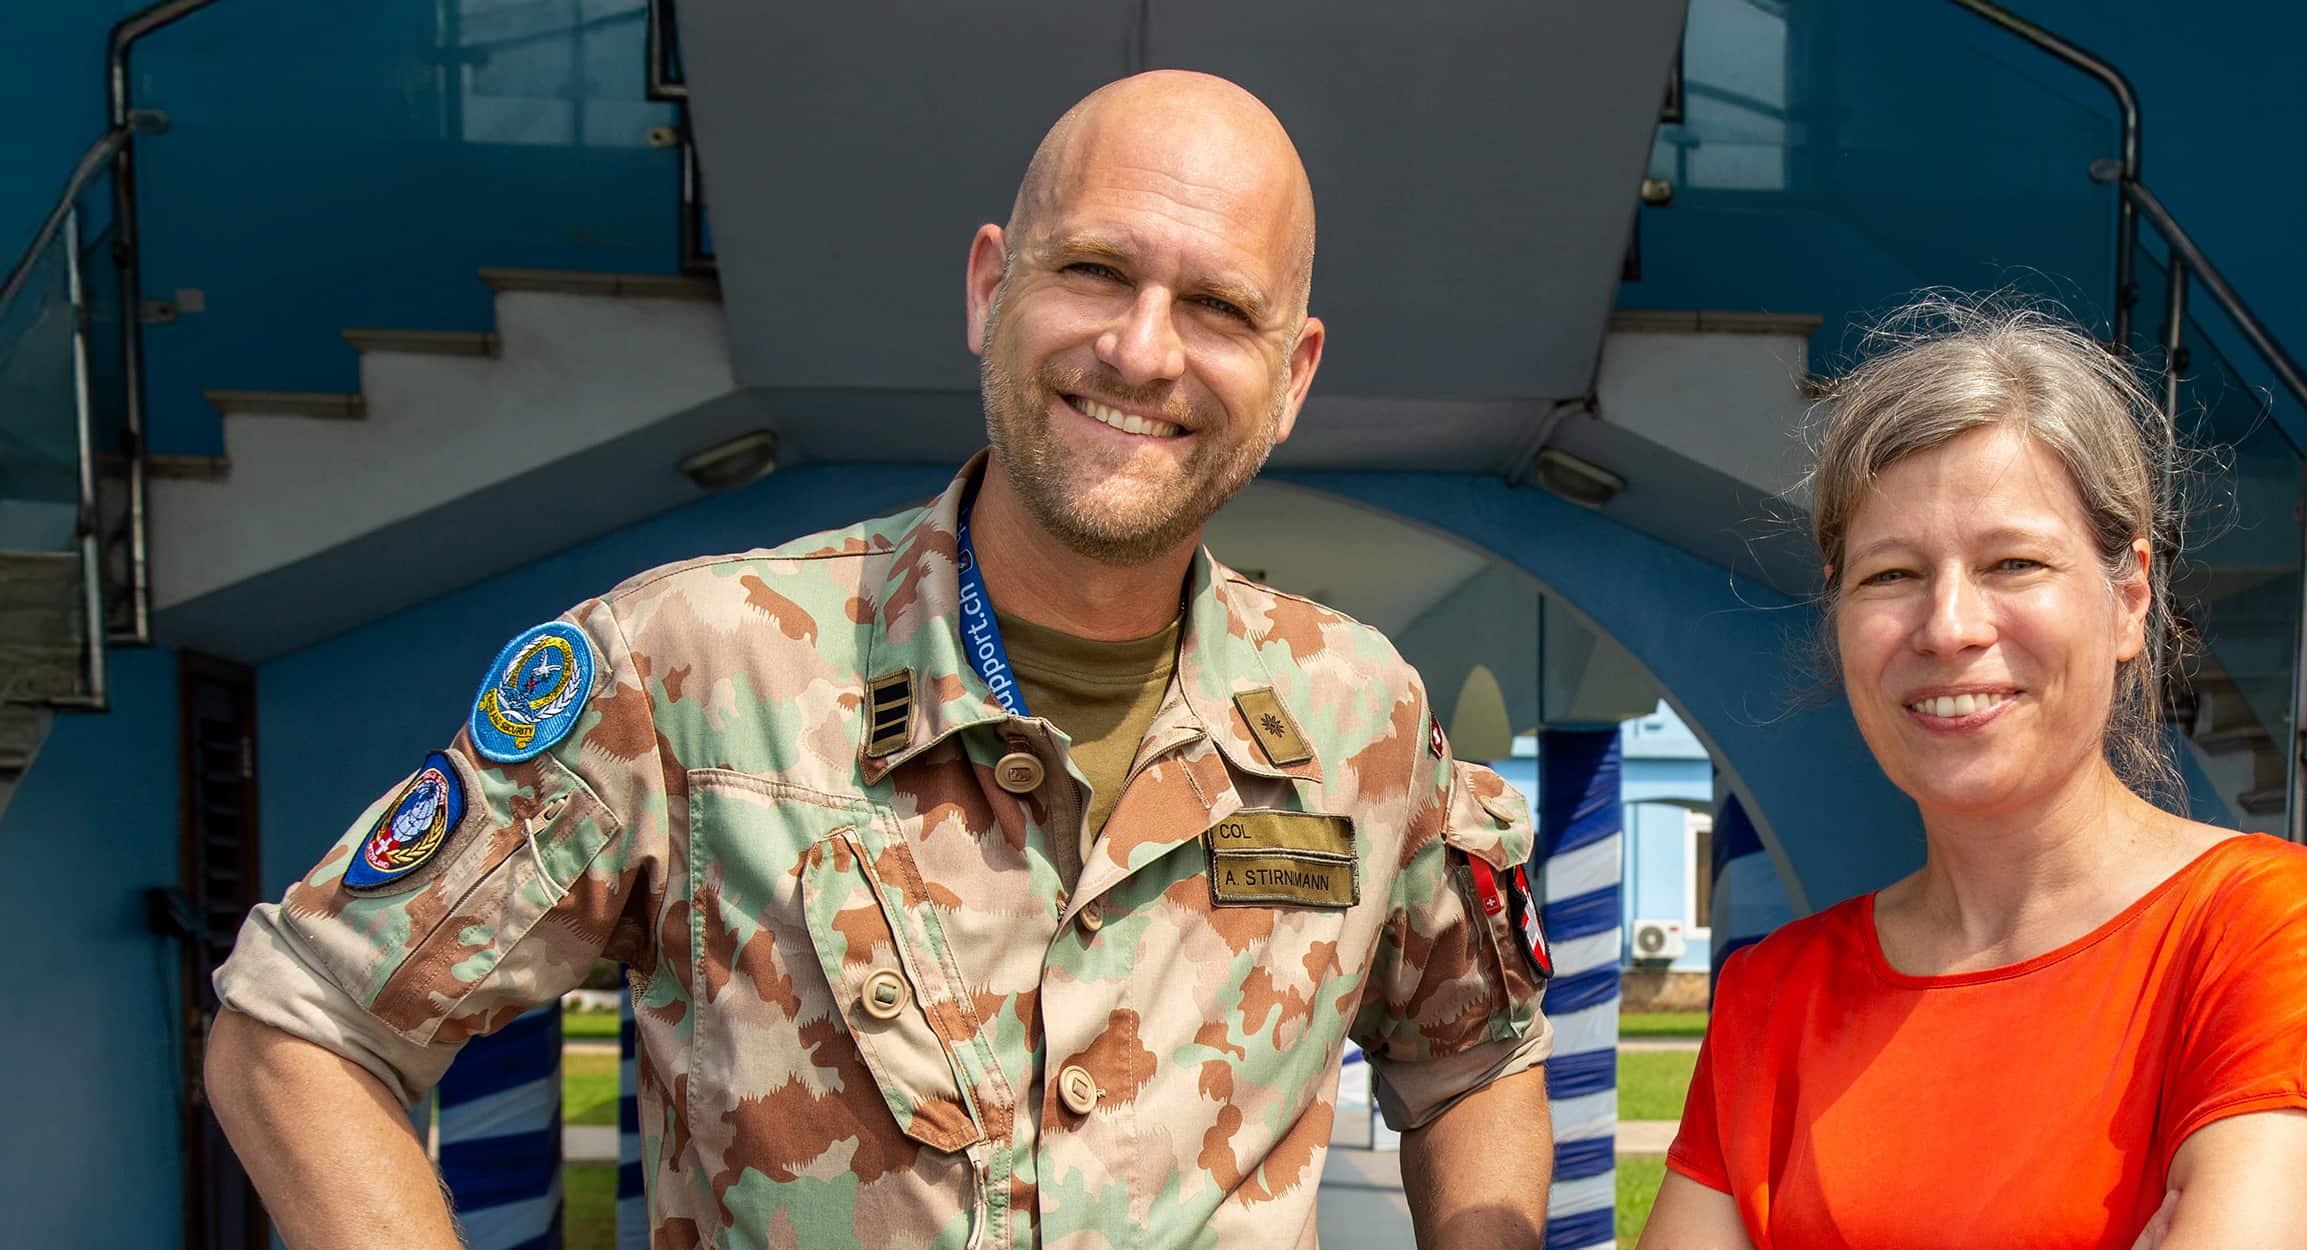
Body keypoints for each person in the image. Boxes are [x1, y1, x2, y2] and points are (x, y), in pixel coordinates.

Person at [205, 70, 1557, 1250]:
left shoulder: (1358, 713)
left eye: (1216, 305)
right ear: (989, 287)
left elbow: (1475, 1061)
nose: (1142, 350)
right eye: (1094, 270)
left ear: (1294, 372)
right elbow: (300, 1025)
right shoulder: (691, 671)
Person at [1637, 298, 2307, 1250]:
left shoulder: (2260, 928)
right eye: (1891, 575)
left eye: (2013, 562)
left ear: (2129, 600)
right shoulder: (1774, 998)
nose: (1949, 625)